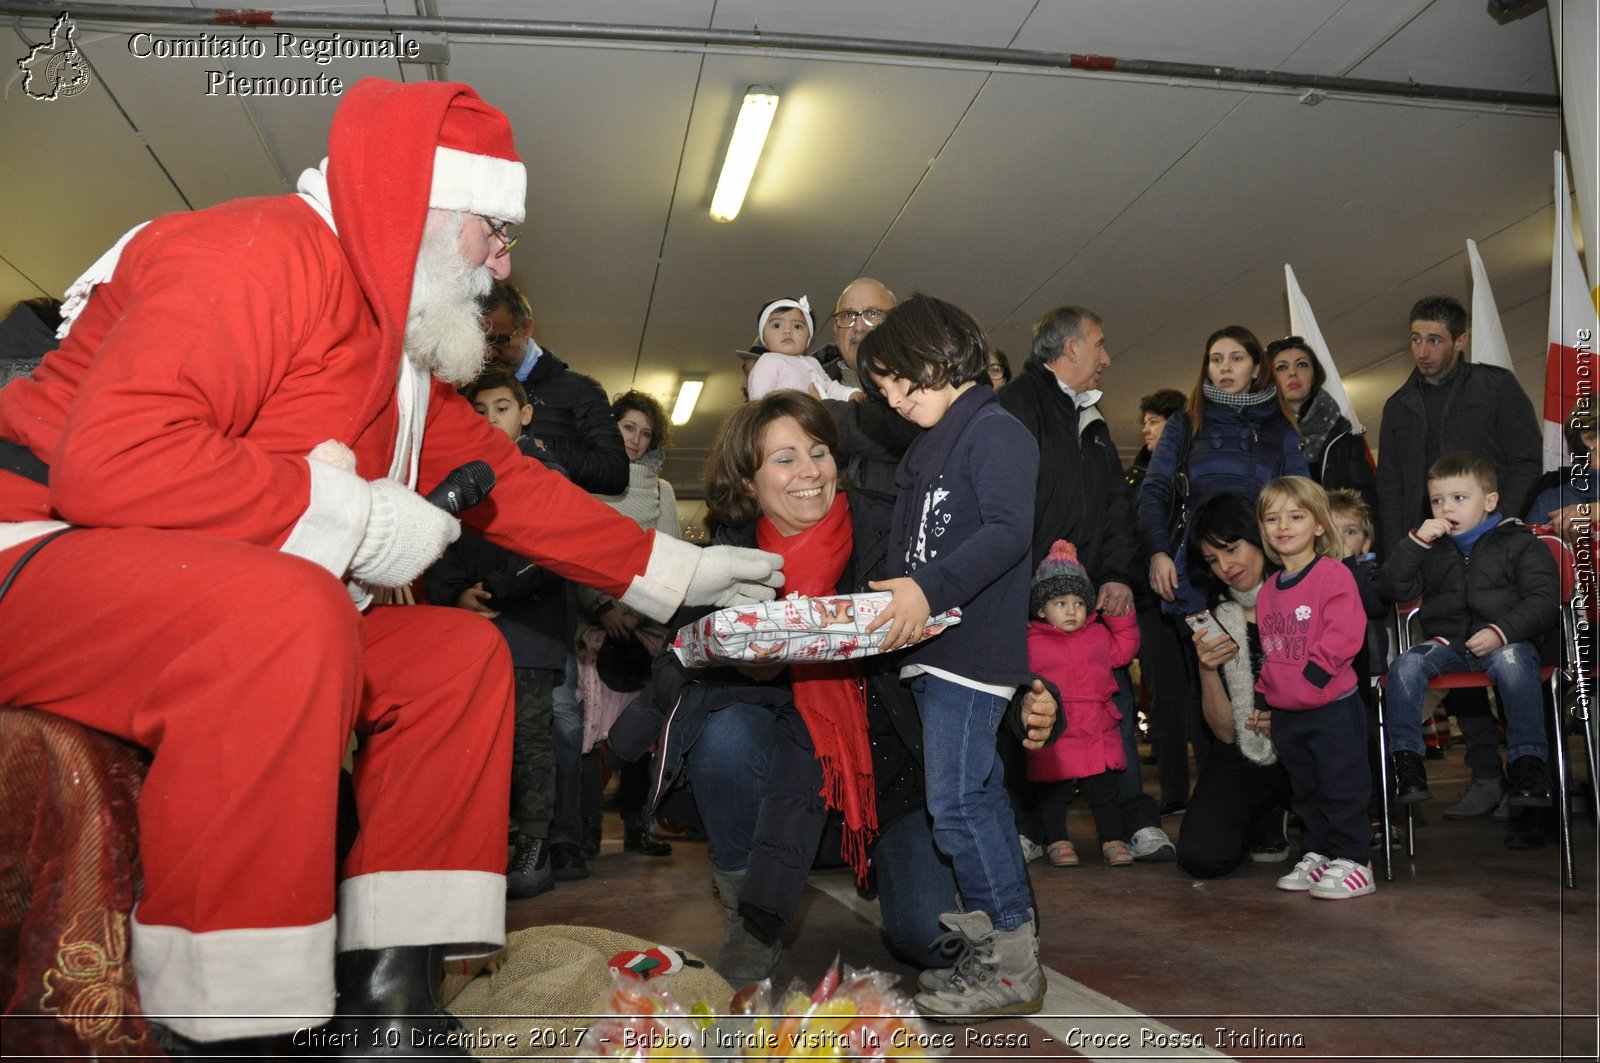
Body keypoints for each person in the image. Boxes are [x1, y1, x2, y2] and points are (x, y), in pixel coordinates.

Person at [0, 78, 781, 1053]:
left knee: (458, 656)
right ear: (419, 204)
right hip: (34, 553)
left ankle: (388, 1002)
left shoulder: (394, 349)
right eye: (492, 229)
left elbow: (509, 484)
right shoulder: (256, 252)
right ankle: (227, 1021)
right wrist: (362, 517)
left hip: (182, 584)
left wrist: (676, 570)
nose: (505, 261)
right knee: (290, 611)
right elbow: (112, 461)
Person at [623, 392, 1060, 992]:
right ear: (748, 483)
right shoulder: (724, 562)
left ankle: (923, 883)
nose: (810, 471)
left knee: (927, 942)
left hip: (893, 776)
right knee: (724, 737)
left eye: (819, 452)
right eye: (784, 459)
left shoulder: (894, 529)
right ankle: (749, 925)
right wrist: (745, 671)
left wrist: (1028, 701)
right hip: (781, 776)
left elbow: (972, 621)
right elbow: (681, 664)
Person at [857, 294, 1044, 1021]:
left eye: (901, 379)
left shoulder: (995, 430)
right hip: (937, 651)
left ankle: (1010, 963)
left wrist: (925, 590)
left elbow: (1006, 532)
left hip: (970, 650)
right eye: (881, 391)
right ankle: (1005, 947)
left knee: (957, 803)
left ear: (941, 355)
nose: (895, 399)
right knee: (977, 799)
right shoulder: (931, 447)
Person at [997, 306, 1174, 862]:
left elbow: (1116, 508)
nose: (1106, 357)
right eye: (1098, 344)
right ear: (1069, 349)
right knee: (1027, 716)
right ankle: (1030, 828)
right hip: (1027, 610)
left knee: (1110, 707)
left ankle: (1130, 823)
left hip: (1090, 603)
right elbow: (998, 508)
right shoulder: (1016, 407)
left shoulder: (1093, 422)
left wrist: (1118, 574)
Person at [424, 368, 575, 900]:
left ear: (526, 413)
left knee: (530, 738)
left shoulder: (547, 474)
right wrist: (455, 593)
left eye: (503, 408)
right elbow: (434, 544)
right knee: (476, 740)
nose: (490, 420)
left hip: (530, 630)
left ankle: (534, 848)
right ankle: (483, 846)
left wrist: (497, 588)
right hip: (467, 629)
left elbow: (557, 551)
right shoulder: (453, 477)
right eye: (479, 411)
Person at [1380, 452, 1560, 812]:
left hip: (1506, 643)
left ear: (1490, 501)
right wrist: (1416, 543)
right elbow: (1394, 588)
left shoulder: (1520, 542)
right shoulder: (1431, 551)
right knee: (1406, 666)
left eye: (1459, 498)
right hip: (1448, 645)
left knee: (1512, 660)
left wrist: (1502, 631)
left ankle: (1527, 765)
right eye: (1437, 500)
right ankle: (1406, 764)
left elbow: (1544, 599)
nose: (1447, 508)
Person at [1253, 477, 1373, 899]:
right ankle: (1321, 851)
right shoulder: (1267, 590)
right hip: (1289, 712)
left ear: (1320, 525)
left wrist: (1315, 676)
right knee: (1305, 790)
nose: (1283, 525)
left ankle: (1355, 859)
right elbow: (1272, 647)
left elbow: (1346, 632)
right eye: (1272, 518)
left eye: (1296, 516)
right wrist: (1264, 695)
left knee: (1341, 785)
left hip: (1331, 706)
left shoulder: (1332, 575)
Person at [1139, 325, 1308, 618]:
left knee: (1269, 661)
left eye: (1236, 358)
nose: (1225, 367)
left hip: (1266, 570)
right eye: (1216, 360)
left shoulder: (1281, 428)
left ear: (1256, 369)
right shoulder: (1185, 422)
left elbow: (1301, 500)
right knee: (1208, 662)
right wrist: (1158, 552)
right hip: (1196, 570)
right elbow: (1154, 490)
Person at [580, 389, 682, 859]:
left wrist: (636, 613)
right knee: (585, 731)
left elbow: (672, 559)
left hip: (645, 628)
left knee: (646, 732)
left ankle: (640, 827)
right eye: (628, 428)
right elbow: (570, 555)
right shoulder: (584, 480)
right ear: (610, 427)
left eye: (645, 433)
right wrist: (603, 610)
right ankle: (581, 834)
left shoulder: (662, 491)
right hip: (589, 626)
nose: (636, 440)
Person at [1174, 494, 1291, 878]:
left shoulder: (1307, 598)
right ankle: (1266, 812)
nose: (1225, 566)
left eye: (1231, 548)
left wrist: (1288, 718)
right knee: (1201, 856)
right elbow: (1225, 732)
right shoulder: (1212, 620)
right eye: (1212, 559)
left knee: (1343, 841)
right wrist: (1208, 670)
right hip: (1246, 752)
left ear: (1258, 535)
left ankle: (1285, 810)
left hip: (1309, 743)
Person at [1024, 541, 1141, 867]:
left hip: (1095, 727)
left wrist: (1121, 618)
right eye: (1061, 602)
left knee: (1104, 790)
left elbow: (1124, 650)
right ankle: (1058, 841)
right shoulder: (1030, 639)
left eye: (1078, 602)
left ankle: (1112, 839)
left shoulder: (1098, 634)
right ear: (1041, 609)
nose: (1072, 610)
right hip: (1054, 730)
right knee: (1053, 791)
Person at [479, 280, 629, 494]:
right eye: (482, 342)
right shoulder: (468, 391)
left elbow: (615, 473)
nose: (489, 353)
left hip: (550, 517)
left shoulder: (580, 389)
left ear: (526, 328)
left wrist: (544, 447)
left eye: (500, 341)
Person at [1125, 387, 1196, 816]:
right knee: (1166, 699)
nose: (1147, 429)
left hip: (1196, 595)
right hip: (1151, 602)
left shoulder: (1194, 469)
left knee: (1209, 692)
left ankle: (1218, 790)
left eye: (1156, 421)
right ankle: (1175, 794)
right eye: (1145, 422)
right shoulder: (1134, 478)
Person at [1266, 335, 1379, 539]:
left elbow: (1366, 501)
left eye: (1302, 365)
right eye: (1282, 367)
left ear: (1315, 375)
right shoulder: (1260, 435)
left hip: (1337, 544)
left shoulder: (1343, 433)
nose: (1292, 373)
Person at [816, 279, 919, 501]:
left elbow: (906, 435)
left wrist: (817, 413)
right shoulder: (805, 380)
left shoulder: (920, 381)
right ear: (835, 327)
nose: (859, 327)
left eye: (872, 314)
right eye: (848, 316)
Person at [745, 297, 862, 402]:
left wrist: (848, 394)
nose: (787, 331)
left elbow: (829, 387)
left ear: (807, 340)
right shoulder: (768, 361)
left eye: (797, 326)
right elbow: (759, 397)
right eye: (777, 326)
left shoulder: (813, 362)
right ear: (764, 339)